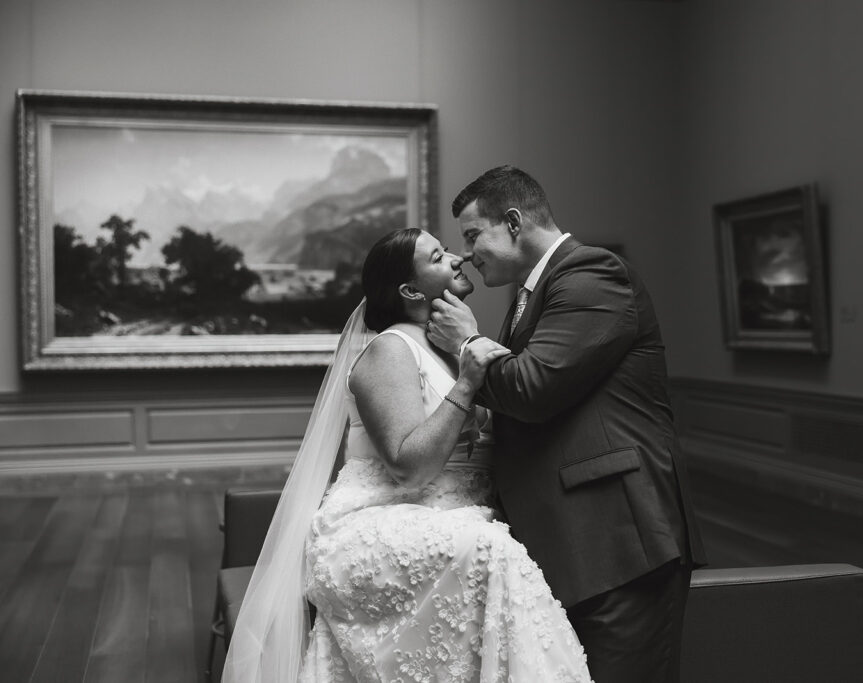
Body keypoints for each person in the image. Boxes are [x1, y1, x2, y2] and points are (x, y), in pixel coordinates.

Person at [223, 228, 592, 682]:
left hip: (456, 514)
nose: (458, 258)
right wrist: (467, 383)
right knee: (493, 551)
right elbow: (409, 469)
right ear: (412, 290)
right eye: (439, 257)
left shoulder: (452, 349)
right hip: (382, 517)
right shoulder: (390, 349)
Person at [427, 165, 707, 682]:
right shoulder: (529, 294)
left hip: (618, 541)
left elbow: (533, 390)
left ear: (513, 221)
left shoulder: (593, 273)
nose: (466, 253)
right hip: (573, 544)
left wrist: (466, 342)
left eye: (472, 236)